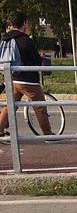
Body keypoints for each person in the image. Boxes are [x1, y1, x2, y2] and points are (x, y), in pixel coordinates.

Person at [0, 11, 55, 144]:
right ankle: (48, 134)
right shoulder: (26, 40)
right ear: (24, 23)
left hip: (12, 78)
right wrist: (40, 57)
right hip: (28, 80)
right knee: (40, 106)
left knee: (10, 106)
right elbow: (36, 61)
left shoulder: (5, 39)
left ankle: (0, 130)